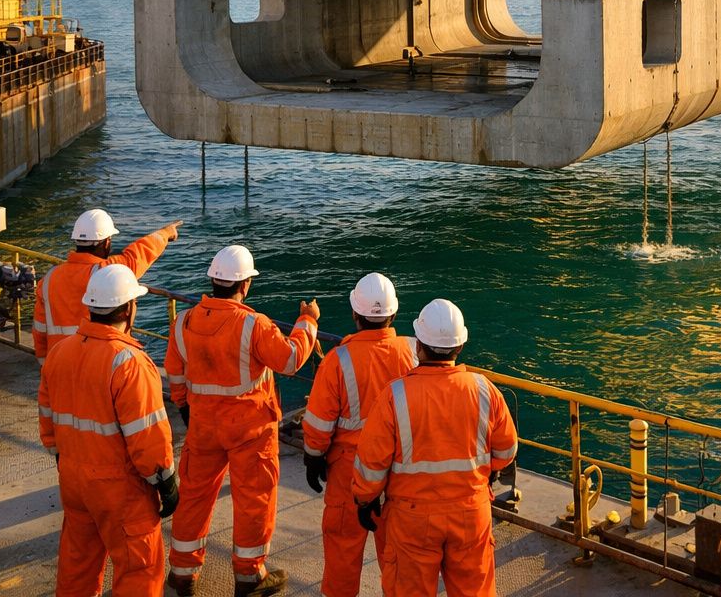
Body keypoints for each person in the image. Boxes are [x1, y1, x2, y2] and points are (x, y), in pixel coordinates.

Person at [165, 244, 320, 597]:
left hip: (203, 426)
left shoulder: (183, 322)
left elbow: (175, 373)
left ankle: (183, 573)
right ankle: (249, 577)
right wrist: (308, 320)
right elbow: (291, 359)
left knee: (194, 497)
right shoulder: (252, 324)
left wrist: (186, 408)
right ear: (245, 285)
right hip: (249, 431)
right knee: (254, 500)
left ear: (214, 281)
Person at [352, 299, 517, 597]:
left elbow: (371, 463)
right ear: (460, 346)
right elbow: (506, 451)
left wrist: (365, 499)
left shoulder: (395, 395)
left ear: (419, 346)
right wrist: (485, 474)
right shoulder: (484, 390)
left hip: (412, 518)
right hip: (471, 511)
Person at [38, 264, 179, 597]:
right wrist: (165, 480)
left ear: (90, 306)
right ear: (129, 308)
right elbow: (148, 437)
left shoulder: (60, 352)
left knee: (78, 566)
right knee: (138, 569)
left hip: (72, 477)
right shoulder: (129, 362)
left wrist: (61, 456)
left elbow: (47, 417)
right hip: (119, 489)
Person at [302, 273, 417, 597]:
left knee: (342, 549)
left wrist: (313, 456)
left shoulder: (338, 360)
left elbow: (320, 421)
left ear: (355, 314)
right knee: (397, 557)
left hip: (348, 471)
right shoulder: (412, 352)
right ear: (393, 314)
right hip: (398, 472)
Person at [33, 209, 180, 364]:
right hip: (99, 360)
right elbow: (137, 256)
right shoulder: (106, 272)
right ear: (107, 242)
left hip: (60, 360)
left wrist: (46, 364)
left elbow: (40, 328)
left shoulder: (49, 279)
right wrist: (165, 233)